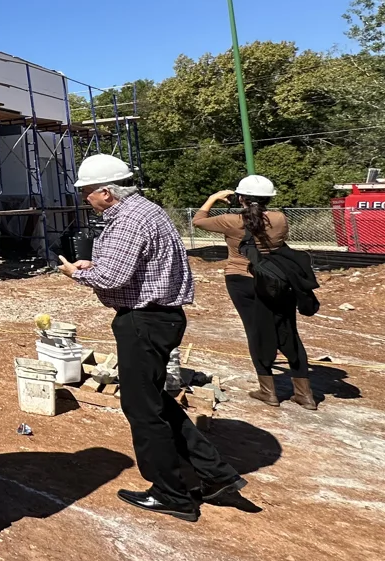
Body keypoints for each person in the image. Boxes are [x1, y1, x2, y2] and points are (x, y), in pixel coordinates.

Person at [58, 154, 247, 521]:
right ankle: (215, 474)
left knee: (142, 410)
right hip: (158, 318)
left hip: (144, 321)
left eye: (86, 192)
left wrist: (75, 273)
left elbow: (112, 279)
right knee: (154, 400)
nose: (84, 199)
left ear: (106, 193)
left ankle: (171, 493)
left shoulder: (128, 220)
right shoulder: (145, 211)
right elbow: (128, 267)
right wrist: (95, 266)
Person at [193, 176, 316, 409]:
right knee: (288, 330)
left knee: (256, 331)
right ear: (269, 198)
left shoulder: (230, 221)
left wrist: (213, 198)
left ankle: (268, 392)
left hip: (241, 279)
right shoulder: (280, 218)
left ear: (241, 198)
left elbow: (198, 221)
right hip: (278, 280)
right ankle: (305, 394)